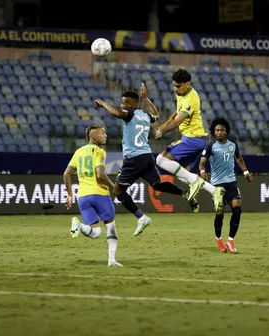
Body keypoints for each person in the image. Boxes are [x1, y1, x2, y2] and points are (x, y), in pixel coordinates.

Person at [94, 83, 195, 236]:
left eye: (123, 103)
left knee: (118, 190)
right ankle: (184, 193)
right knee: (158, 185)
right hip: (147, 156)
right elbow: (156, 116)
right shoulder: (144, 115)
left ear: (130, 104)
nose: (121, 105)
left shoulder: (131, 114)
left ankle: (141, 218)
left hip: (133, 158)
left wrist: (103, 104)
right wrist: (146, 99)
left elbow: (118, 114)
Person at [154, 68, 225, 212]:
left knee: (160, 160)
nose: (175, 89)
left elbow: (177, 122)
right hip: (195, 139)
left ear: (188, 84)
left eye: (178, 86)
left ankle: (195, 182)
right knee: (183, 174)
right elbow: (175, 115)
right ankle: (215, 192)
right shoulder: (181, 94)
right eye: (174, 85)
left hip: (192, 139)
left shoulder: (191, 99)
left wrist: (163, 130)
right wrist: (161, 126)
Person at [63, 125, 122, 268]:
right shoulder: (99, 151)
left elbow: (66, 174)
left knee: (95, 233)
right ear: (93, 137)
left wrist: (70, 195)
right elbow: (100, 174)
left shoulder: (78, 152)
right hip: (99, 194)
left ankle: (79, 226)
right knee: (111, 227)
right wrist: (114, 187)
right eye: (102, 133)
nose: (106, 135)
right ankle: (112, 260)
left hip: (83, 197)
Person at [199, 118, 252, 254]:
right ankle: (219, 239)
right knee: (220, 215)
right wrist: (203, 171)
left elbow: (239, 158)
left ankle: (230, 240)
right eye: (217, 130)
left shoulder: (232, 145)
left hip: (231, 182)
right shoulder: (210, 146)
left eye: (222, 130)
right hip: (217, 185)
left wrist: (245, 172)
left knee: (237, 210)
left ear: (226, 131)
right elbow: (202, 162)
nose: (220, 132)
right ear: (214, 132)